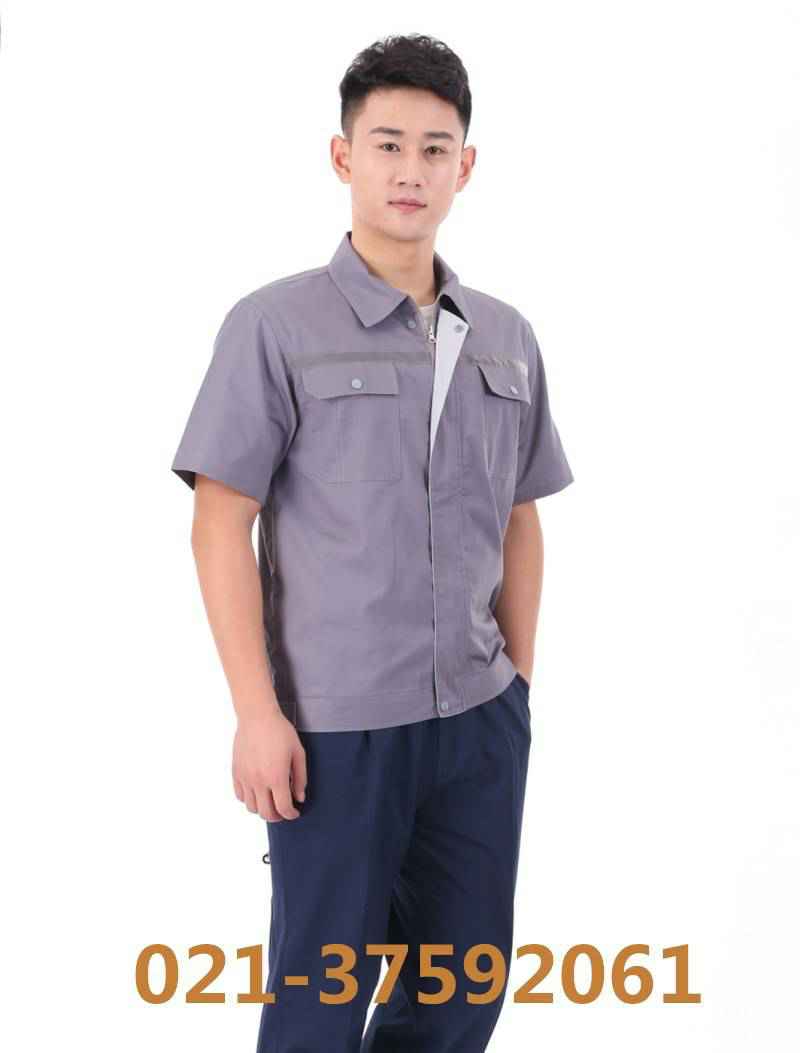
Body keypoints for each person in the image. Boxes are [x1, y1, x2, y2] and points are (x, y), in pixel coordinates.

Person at [171, 32, 574, 1053]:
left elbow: (521, 515)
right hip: (335, 733)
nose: (410, 170)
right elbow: (220, 521)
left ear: (464, 168)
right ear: (343, 156)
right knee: (318, 1007)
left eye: (435, 149)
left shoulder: (506, 337)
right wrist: (256, 712)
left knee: (460, 994)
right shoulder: (275, 327)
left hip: (476, 723)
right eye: (387, 144)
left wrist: (516, 687)